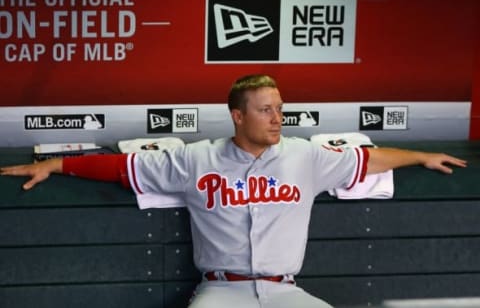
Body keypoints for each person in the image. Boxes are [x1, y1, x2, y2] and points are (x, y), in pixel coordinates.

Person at [0, 74, 467, 308]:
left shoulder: (305, 156)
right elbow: (123, 167)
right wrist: (56, 164)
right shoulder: (196, 159)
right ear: (238, 116)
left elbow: (368, 159)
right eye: (265, 110)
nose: (277, 118)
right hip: (222, 293)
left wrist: (420, 156)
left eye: (280, 109)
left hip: (287, 293)